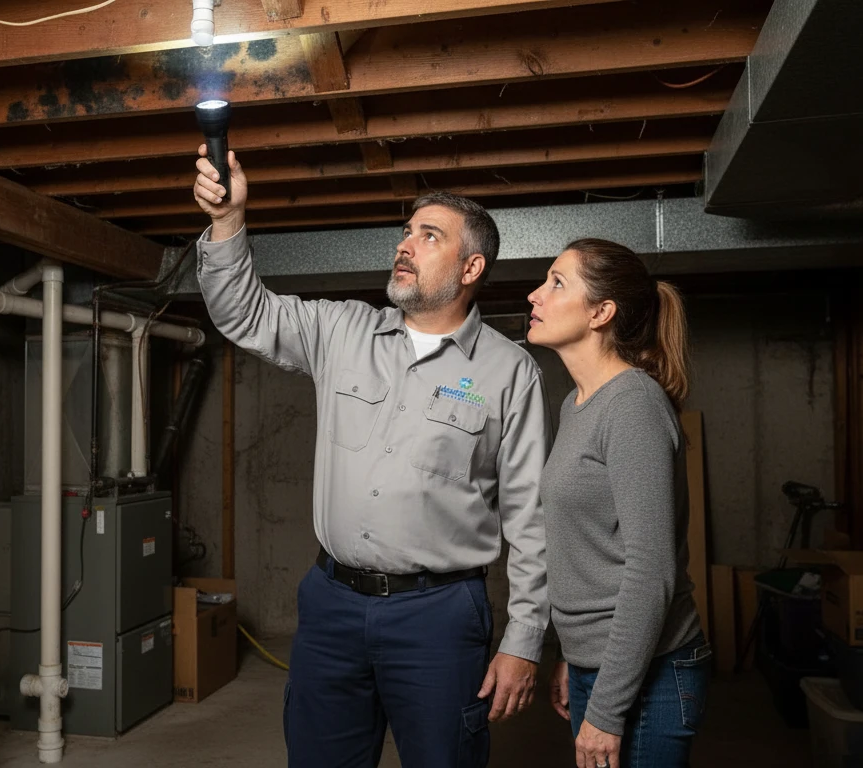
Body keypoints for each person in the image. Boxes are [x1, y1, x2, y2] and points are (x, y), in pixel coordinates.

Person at [192, 145, 550, 768]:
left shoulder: (509, 371)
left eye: (428, 236)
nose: (405, 245)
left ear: (471, 268)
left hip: (438, 616)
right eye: (406, 231)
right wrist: (228, 222)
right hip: (332, 605)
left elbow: (531, 518)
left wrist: (523, 641)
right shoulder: (342, 330)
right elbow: (242, 313)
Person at [525, 238, 710, 768]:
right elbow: (586, 548)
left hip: (649, 672)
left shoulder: (632, 406)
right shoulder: (577, 402)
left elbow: (650, 573)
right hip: (600, 664)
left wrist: (606, 709)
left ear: (601, 312)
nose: (536, 295)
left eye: (557, 282)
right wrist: (571, 657)